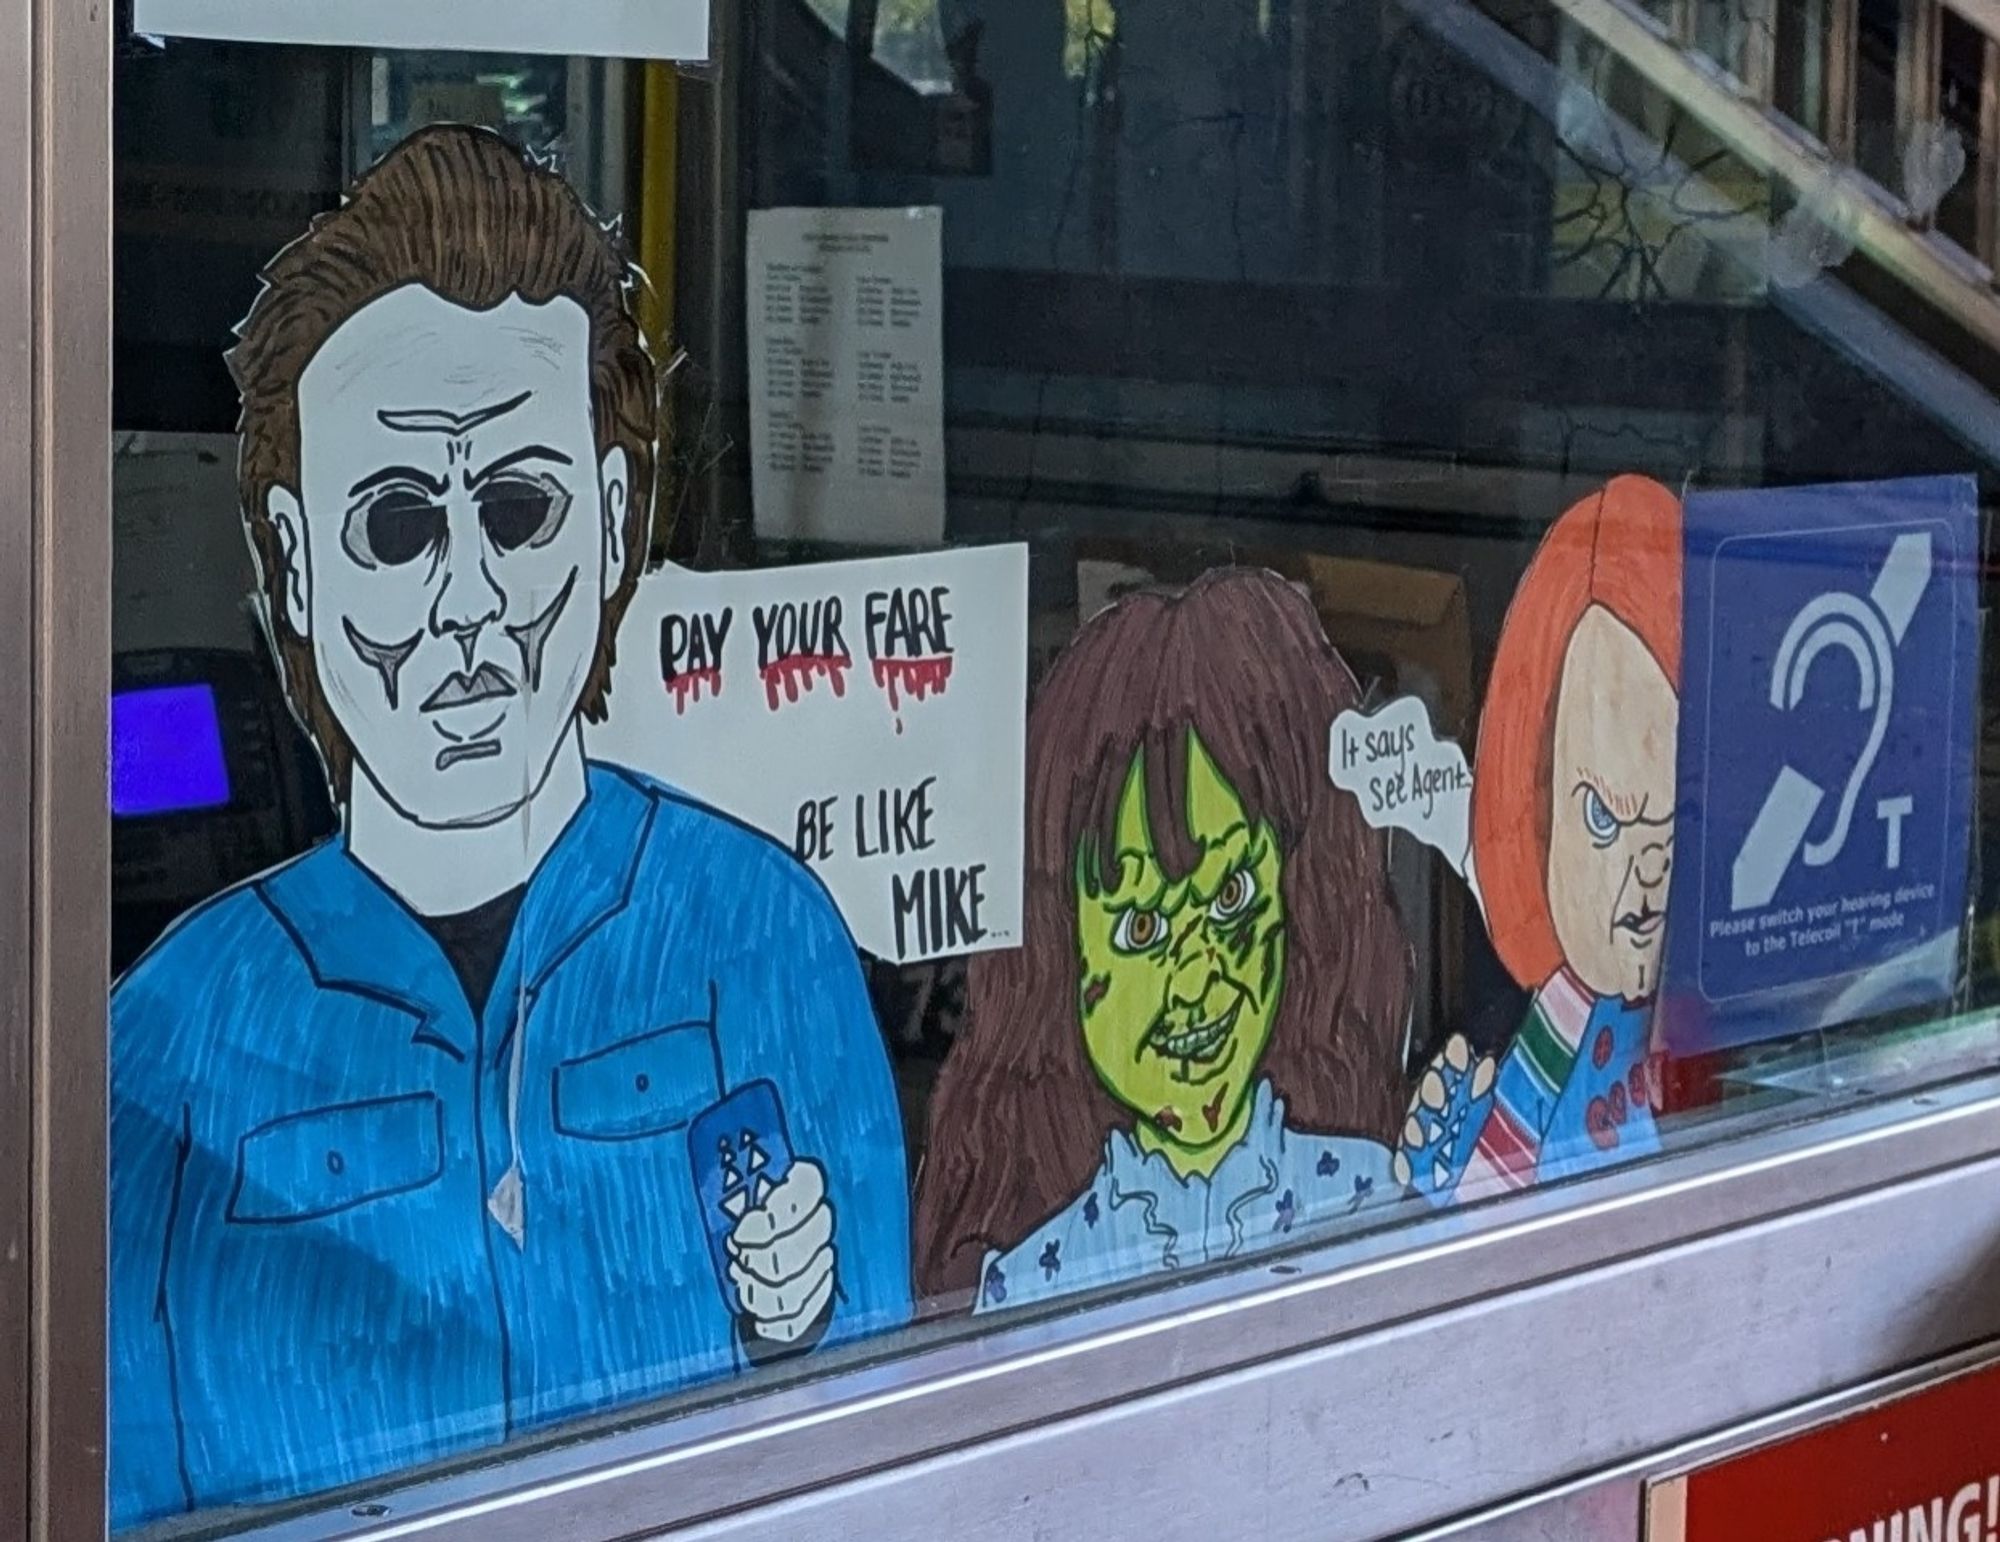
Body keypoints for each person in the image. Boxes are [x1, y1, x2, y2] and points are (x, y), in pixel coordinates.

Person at [109, 125, 910, 1528]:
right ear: (293, 564)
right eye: (399, 526)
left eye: (519, 509)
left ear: (610, 521)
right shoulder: (168, 1038)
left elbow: (890, 1459)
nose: (467, 602)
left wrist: (804, 1341)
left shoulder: (760, 939)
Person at [913, 569, 1415, 1311]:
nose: (1194, 982)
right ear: (1059, 953)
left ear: (1301, 905)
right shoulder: (1031, 1278)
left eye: (1232, 897)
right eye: (1141, 926)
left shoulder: (1370, 1194)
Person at [1402, 476, 1680, 1198]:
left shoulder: (1715, 1008)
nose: (1647, 868)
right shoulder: (1555, 1023)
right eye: (1604, 819)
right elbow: (1480, 1203)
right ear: (1534, 811)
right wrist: (1440, 1169)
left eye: (1677, 817)